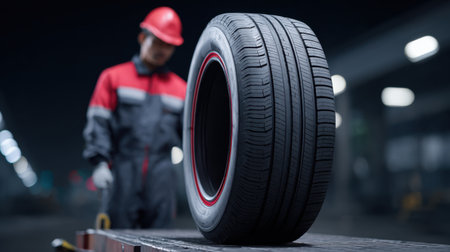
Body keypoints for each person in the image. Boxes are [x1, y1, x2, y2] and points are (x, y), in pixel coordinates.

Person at [82, 6, 186, 229]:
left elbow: (191, 135)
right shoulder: (113, 78)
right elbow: (98, 123)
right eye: (158, 41)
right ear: (142, 37)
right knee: (118, 241)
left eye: (169, 45)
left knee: (159, 242)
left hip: (162, 178)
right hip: (122, 173)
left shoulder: (181, 90)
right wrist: (100, 163)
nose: (163, 50)